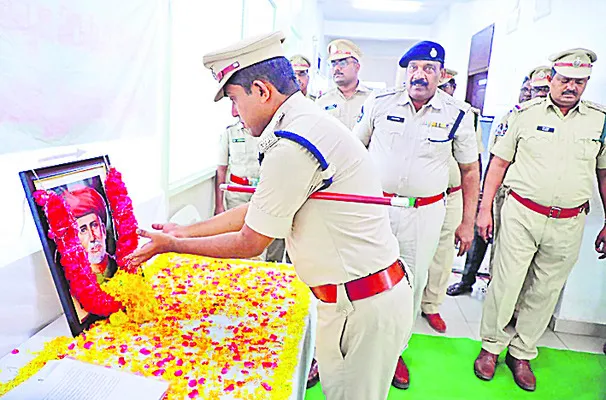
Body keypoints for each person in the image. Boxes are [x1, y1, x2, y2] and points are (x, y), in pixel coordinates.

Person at [127, 31, 413, 400]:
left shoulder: (294, 143)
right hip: (357, 296)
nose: (234, 112)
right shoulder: (303, 123)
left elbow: (250, 242)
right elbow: (260, 207)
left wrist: (173, 246)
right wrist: (186, 230)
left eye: (234, 99)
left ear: (262, 91)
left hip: (360, 305)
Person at [474, 48, 606, 392]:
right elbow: (498, 164)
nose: (571, 87)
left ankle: (522, 353)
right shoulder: (524, 114)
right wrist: (484, 209)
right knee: (506, 284)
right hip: (521, 212)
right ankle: (491, 347)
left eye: (579, 82)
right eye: (565, 79)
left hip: (569, 220)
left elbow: (604, 173)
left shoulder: (600, 121)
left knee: (546, 289)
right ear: (552, 78)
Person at [353, 40, 480, 389]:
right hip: (376, 209)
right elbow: (353, 150)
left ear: (441, 75)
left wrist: (468, 221)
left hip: (423, 213)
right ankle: (358, 344)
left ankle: (395, 352)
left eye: (428, 69)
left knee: (410, 283)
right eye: (413, 68)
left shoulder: (458, 114)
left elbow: (470, 171)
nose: (419, 75)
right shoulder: (379, 103)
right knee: (362, 276)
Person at [447, 75, 539, 296]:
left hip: (523, 196)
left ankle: (497, 287)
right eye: (525, 90)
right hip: (498, 189)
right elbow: (494, 158)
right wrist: (483, 194)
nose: (528, 95)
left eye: (534, 91)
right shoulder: (510, 118)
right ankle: (467, 280)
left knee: (506, 247)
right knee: (480, 238)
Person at [420, 68, 485, 333]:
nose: (443, 92)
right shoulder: (419, 110)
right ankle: (403, 303)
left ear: (454, 88)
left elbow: (473, 164)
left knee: (443, 253)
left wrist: (471, 214)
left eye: (447, 87)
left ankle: (431, 305)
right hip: (421, 197)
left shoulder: (466, 115)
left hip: (452, 193)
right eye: (440, 87)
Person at [215, 122, 286, 263]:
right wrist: (219, 205)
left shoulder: (273, 131)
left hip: (266, 191)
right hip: (237, 194)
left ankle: (273, 266)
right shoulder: (230, 133)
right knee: (239, 239)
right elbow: (221, 169)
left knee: (274, 234)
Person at [63, 186, 116, 283]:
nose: (92, 237)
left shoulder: (123, 265)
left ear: (103, 230)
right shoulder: (75, 281)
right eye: (83, 230)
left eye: (94, 225)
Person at [315, 39, 371, 130]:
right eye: (333, 64)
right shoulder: (322, 101)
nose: (337, 68)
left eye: (342, 63)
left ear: (357, 67)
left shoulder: (370, 99)